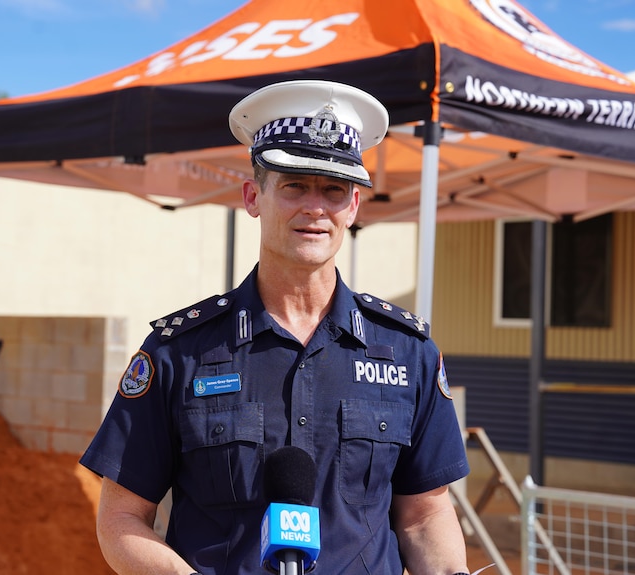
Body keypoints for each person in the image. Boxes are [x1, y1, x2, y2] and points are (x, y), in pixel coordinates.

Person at [79, 79, 471, 575]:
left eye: (333, 190)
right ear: (253, 196)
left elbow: (424, 515)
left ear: (353, 207)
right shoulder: (179, 352)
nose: (315, 208)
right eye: (293, 185)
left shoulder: (407, 350)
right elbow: (120, 519)